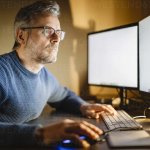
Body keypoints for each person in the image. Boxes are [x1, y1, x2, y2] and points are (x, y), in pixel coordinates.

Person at [0, 0, 117, 147]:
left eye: (59, 33)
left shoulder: (44, 76)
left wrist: (84, 106)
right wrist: (40, 134)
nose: (56, 39)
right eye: (47, 31)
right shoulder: (2, 73)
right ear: (21, 36)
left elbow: (64, 96)